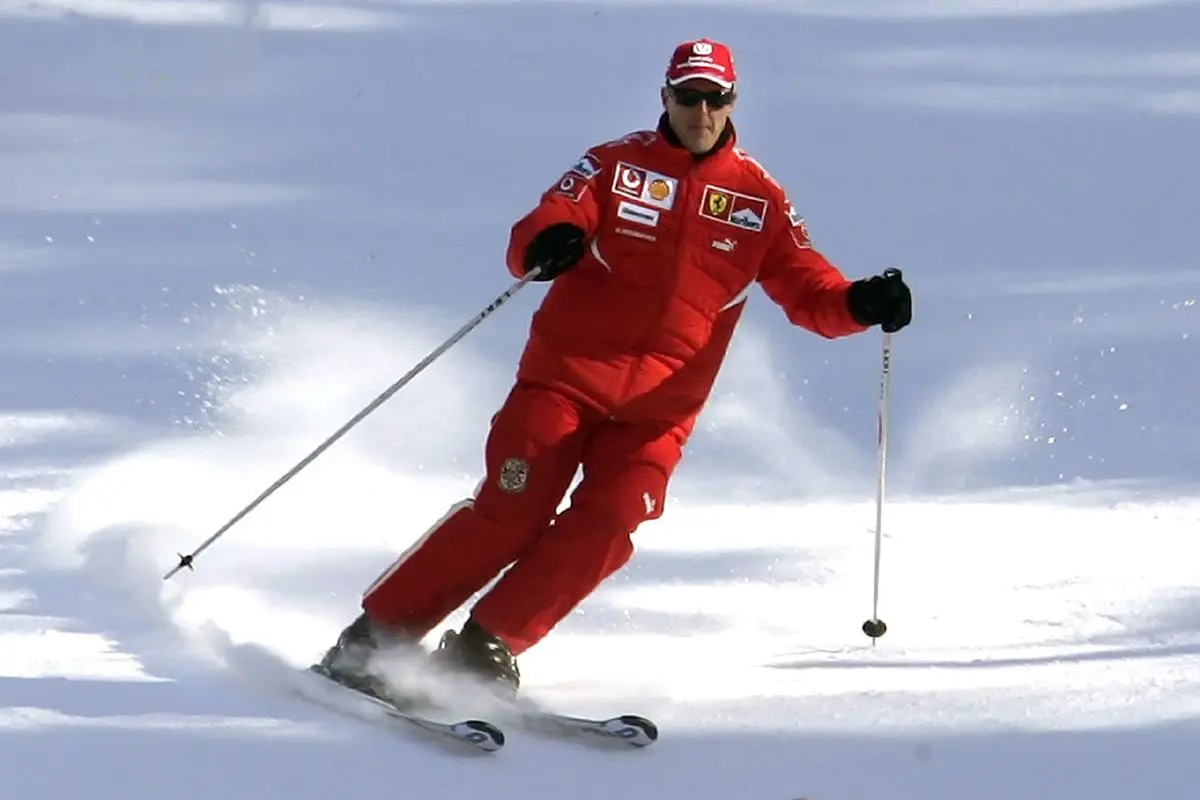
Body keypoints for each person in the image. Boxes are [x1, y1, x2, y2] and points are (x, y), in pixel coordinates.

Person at [316, 37, 912, 701]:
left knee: (611, 521)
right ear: (665, 97)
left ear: (733, 103)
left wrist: (862, 302)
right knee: (511, 510)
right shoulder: (615, 166)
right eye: (689, 96)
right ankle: (376, 638)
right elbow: (547, 220)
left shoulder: (758, 200)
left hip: (659, 413)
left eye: (715, 99)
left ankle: (485, 646)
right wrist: (550, 240)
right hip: (563, 382)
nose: (701, 111)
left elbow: (813, 293)